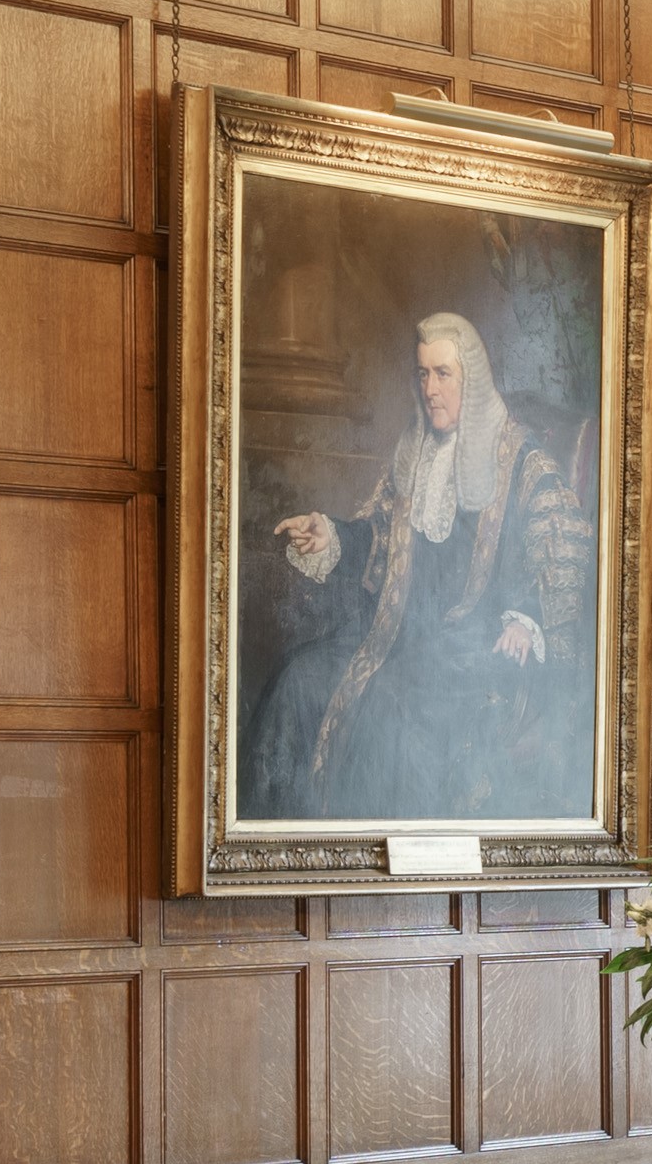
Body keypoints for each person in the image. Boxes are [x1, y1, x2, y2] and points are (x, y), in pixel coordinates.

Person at [244, 310, 588, 824]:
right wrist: (331, 533)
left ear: (469, 380)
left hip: (468, 650)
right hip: (395, 633)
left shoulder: (520, 459)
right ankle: (283, 843)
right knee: (299, 677)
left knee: (389, 714)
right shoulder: (416, 454)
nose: (431, 388)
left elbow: (556, 545)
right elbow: (379, 533)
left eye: (443, 373)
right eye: (423, 373)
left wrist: (524, 617)